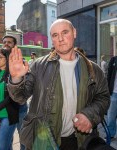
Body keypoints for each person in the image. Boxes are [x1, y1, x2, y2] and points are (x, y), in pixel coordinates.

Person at [7, 19, 110, 150]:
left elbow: (103, 97)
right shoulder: (38, 65)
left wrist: (89, 115)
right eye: (55, 35)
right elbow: (20, 97)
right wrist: (16, 79)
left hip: (79, 140)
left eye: (65, 32)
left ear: (74, 33)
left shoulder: (93, 69)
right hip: (44, 139)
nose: (60, 38)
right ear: (52, 39)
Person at [2, 35, 28, 136]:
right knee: (8, 138)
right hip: (5, 107)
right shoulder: (0, 60)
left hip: (19, 106)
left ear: (14, 45)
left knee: (23, 135)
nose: (6, 44)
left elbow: (26, 86)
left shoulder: (20, 62)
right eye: (4, 42)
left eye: (9, 42)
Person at [107, 56, 117, 139]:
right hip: (114, 93)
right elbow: (109, 75)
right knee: (111, 116)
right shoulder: (113, 60)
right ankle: (110, 134)